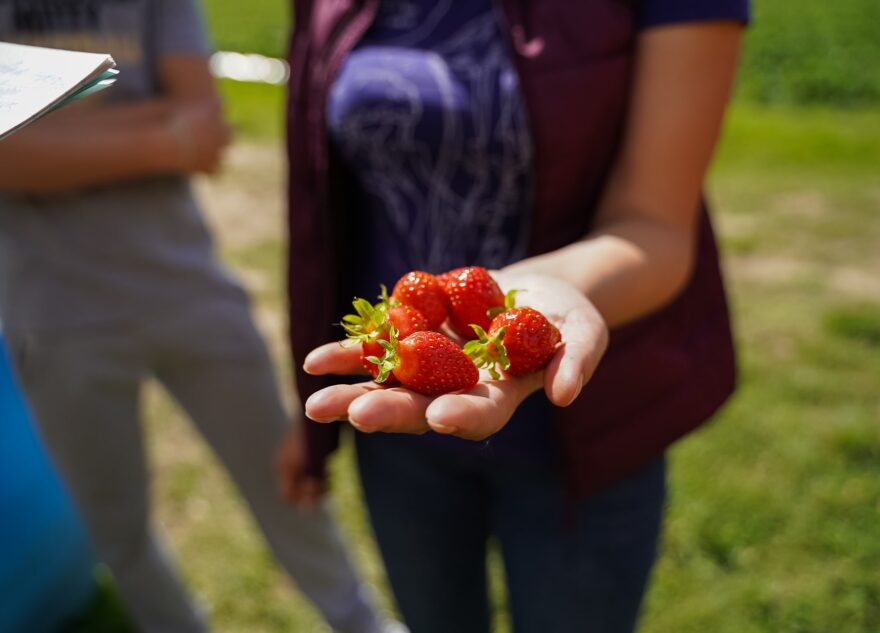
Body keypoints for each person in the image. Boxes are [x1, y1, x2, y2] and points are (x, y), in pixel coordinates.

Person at [277, 0, 750, 631]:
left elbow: (656, 226)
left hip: (587, 426)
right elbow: (323, 208)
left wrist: (553, 282)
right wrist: (307, 403)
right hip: (397, 407)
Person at [0, 2, 387, 632]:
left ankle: (361, 623)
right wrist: (159, 130)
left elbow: (206, 132)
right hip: (53, 318)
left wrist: (45, 139)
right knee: (115, 526)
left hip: (189, 289)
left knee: (289, 484)